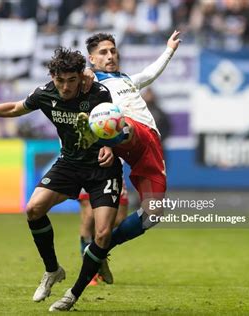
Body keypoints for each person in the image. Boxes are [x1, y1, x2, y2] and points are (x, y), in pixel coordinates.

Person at [0, 48, 123, 312]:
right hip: (70, 164)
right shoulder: (45, 93)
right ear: (53, 76)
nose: (65, 87)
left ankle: (73, 294)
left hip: (101, 169)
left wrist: (110, 146)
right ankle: (52, 270)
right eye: (60, 80)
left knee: (103, 233)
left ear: (79, 77)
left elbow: (114, 124)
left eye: (71, 80)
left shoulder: (98, 93)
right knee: (33, 208)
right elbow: (15, 108)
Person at [76, 30, 181, 257]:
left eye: (113, 51)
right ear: (92, 59)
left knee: (153, 214)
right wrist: (84, 72)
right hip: (129, 133)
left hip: (150, 146)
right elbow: (79, 78)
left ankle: (101, 249)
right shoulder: (92, 82)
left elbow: (149, 74)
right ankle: (103, 137)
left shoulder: (126, 80)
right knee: (125, 124)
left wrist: (169, 49)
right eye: (103, 52)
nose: (110, 56)